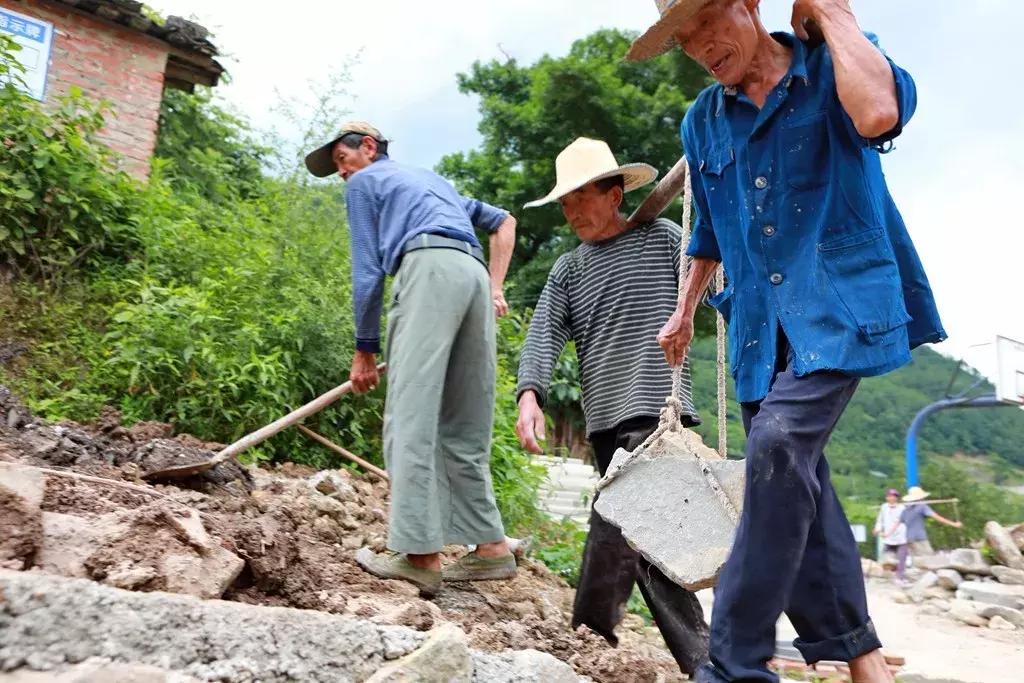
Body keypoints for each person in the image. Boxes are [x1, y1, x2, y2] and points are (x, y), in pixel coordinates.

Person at [630, 1, 946, 681]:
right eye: (684, 39)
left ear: (749, 4)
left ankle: (733, 663)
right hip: (757, 325)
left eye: (708, 21)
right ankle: (863, 657)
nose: (700, 47)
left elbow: (879, 114)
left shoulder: (835, 65)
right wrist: (683, 310)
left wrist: (830, 13)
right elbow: (708, 231)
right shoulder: (702, 120)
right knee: (800, 481)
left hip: (838, 304)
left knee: (776, 447)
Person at [516, 137, 709, 675]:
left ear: (615, 194)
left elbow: (715, 280)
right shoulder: (569, 270)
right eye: (565, 203)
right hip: (605, 422)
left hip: (658, 411)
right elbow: (543, 333)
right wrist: (530, 393)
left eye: (582, 197)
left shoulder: (664, 239)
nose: (572, 211)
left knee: (620, 523)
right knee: (644, 541)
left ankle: (590, 635)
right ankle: (703, 658)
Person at [304, 121, 519, 597]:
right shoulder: (431, 183)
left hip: (427, 270)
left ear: (368, 147)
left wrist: (365, 348)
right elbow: (504, 221)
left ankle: (420, 557)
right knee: (464, 421)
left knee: (410, 415)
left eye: (342, 160)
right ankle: (490, 548)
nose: (342, 173)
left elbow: (367, 269)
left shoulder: (366, 182)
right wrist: (495, 286)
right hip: (472, 276)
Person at [902, 485, 962, 558]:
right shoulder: (922, 506)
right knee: (929, 559)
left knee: (916, 561)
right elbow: (937, 517)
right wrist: (954, 524)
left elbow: (901, 522)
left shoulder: (906, 509)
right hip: (919, 539)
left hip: (909, 539)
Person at [872, 489, 908, 583]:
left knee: (901, 559)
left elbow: (902, 522)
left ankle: (900, 577)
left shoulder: (902, 508)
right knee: (886, 558)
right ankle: (888, 576)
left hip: (901, 537)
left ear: (897, 498)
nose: (891, 498)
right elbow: (880, 520)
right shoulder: (884, 507)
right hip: (888, 538)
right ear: (886, 497)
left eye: (893, 496)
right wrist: (877, 529)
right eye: (889, 496)